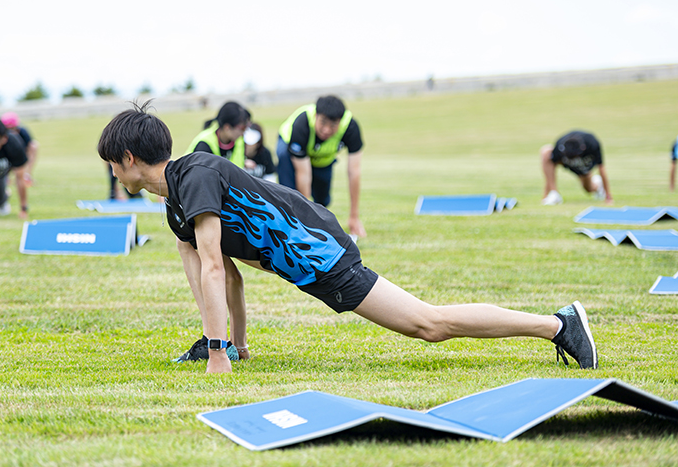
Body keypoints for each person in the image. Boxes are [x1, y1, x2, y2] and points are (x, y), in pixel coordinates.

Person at [98, 102, 598, 374]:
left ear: (127, 157)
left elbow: (212, 268)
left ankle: (558, 326)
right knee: (428, 323)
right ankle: (557, 325)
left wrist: (217, 353)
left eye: (110, 162)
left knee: (427, 324)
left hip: (317, 253)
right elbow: (225, 276)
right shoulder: (175, 203)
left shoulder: (196, 176)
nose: (111, 171)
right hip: (301, 259)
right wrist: (232, 344)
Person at [277, 95, 366, 238]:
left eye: (333, 125)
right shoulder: (302, 124)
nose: (326, 130)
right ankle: (291, 223)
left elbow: (354, 172)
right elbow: (303, 174)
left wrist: (354, 216)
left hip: (322, 159)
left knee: (323, 201)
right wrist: (305, 220)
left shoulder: (351, 127)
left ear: (340, 122)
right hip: (291, 152)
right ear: (316, 116)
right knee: (292, 194)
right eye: (323, 123)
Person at [540, 131, 612, 205]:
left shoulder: (592, 143)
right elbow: (550, 170)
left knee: (589, 188)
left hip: (583, 167)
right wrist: (545, 195)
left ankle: (597, 184)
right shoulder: (560, 145)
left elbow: (601, 168)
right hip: (566, 164)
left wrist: (608, 196)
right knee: (546, 152)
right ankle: (554, 194)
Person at [186, 101, 249, 166]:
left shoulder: (239, 141)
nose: (243, 133)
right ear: (227, 127)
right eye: (242, 128)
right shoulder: (204, 143)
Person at [1, 112, 39, 187]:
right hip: (7, 159)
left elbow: (30, 146)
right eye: (8, 129)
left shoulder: (23, 132)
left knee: (34, 145)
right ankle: (4, 176)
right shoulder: (1, 135)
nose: (11, 132)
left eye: (12, 128)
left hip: (21, 157)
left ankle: (26, 176)